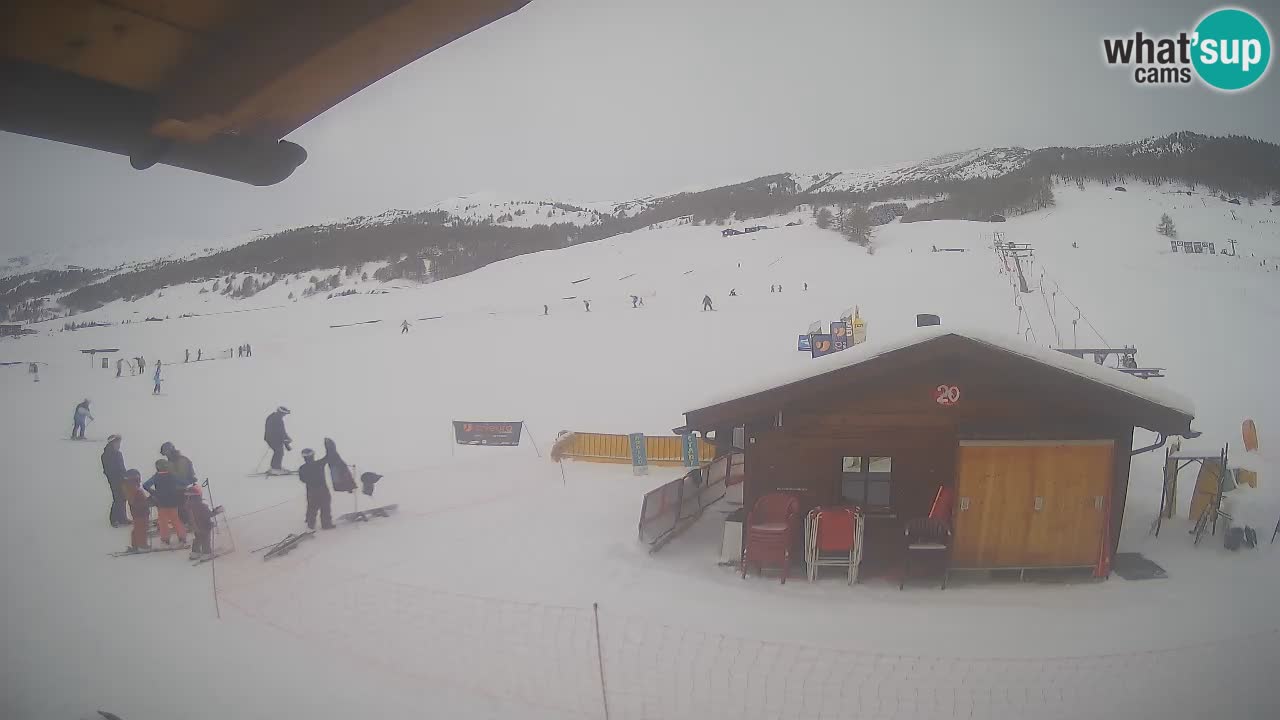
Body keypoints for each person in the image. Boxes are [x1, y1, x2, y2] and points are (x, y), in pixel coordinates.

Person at [143, 459, 187, 546]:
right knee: (175, 520)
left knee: (163, 521)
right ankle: (182, 537)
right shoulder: (172, 476)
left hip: (161, 502)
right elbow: (183, 482)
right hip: (173, 502)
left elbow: (145, 485)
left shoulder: (156, 477)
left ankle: (165, 539)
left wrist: (153, 492)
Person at [298, 448, 334, 530]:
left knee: (312, 507)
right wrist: (328, 445)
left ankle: (310, 525)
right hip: (322, 489)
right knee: (325, 507)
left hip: (311, 490)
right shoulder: (319, 464)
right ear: (313, 456)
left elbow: (302, 479)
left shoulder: (302, 468)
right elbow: (328, 456)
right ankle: (326, 524)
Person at [101, 435, 129, 527]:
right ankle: (114, 519)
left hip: (120, 478)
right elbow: (109, 469)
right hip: (115, 480)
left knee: (123, 497)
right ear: (112, 443)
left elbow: (122, 467)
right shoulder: (108, 455)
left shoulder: (116, 453)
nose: (119, 445)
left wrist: (125, 476)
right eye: (118, 443)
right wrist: (119, 476)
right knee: (117, 498)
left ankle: (122, 518)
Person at [184, 484, 217, 561]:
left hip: (194, 526)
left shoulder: (187, 505)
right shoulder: (202, 506)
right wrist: (216, 511)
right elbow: (209, 514)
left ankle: (195, 553)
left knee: (197, 539)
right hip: (204, 526)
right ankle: (207, 553)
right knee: (206, 539)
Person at [122, 470, 151, 553]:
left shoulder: (129, 489)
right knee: (142, 529)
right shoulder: (136, 491)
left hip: (136, 514)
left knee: (137, 529)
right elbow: (139, 503)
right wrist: (148, 502)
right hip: (141, 513)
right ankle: (142, 545)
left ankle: (135, 544)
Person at [264, 407, 292, 473]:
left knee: (278, 452)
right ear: (281, 413)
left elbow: (281, 431)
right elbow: (281, 431)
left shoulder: (273, 417)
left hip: (272, 438)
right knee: (279, 452)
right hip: (273, 439)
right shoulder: (277, 419)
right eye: (284, 413)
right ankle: (275, 468)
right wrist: (286, 439)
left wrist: (286, 438)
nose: (285, 415)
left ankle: (276, 467)